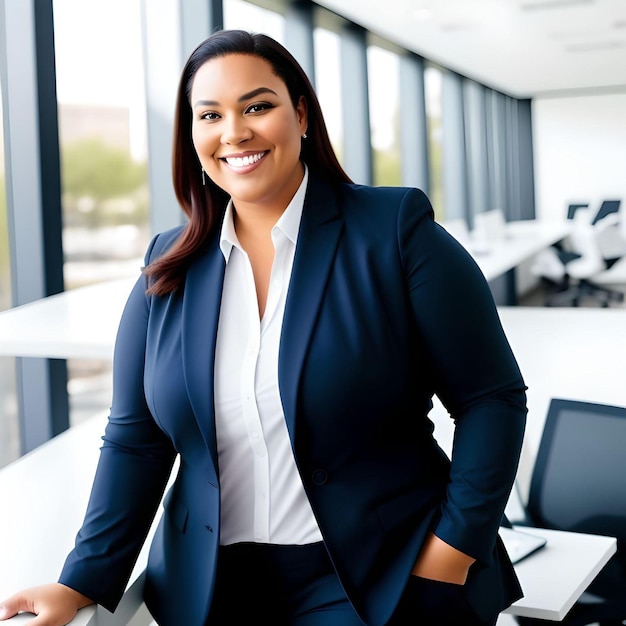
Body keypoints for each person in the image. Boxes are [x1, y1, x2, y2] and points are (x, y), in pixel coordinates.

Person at [0, 29, 527, 626]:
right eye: (210, 115)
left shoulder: (395, 231)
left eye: (257, 106)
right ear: (192, 135)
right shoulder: (167, 267)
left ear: (300, 113)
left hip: (378, 574)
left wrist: (456, 547)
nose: (234, 132)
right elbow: (136, 440)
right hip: (216, 586)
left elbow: (491, 399)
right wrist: (81, 582)